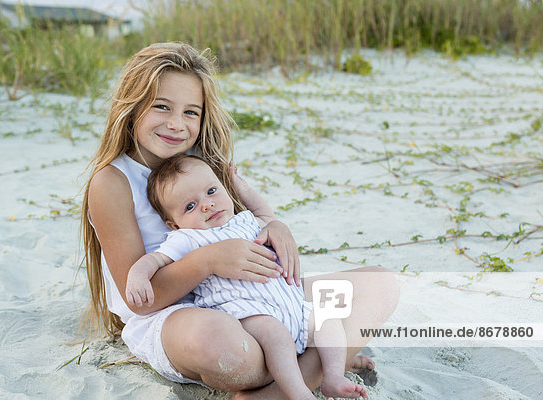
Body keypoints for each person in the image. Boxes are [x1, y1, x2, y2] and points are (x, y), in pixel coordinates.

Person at [81, 42, 399, 398]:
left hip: (255, 295)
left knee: (379, 285)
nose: (176, 123)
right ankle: (319, 364)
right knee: (223, 346)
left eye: (191, 112)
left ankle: (284, 387)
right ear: (132, 106)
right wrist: (207, 261)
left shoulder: (201, 161)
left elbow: (244, 222)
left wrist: (276, 227)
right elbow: (142, 300)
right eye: (161, 106)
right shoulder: (113, 182)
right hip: (177, 315)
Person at [126, 153, 368, 399]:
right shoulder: (188, 238)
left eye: (211, 191)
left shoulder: (245, 220)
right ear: (174, 225)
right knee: (277, 337)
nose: (207, 205)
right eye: (190, 206)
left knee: (328, 319)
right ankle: (299, 392)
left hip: (292, 306)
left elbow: (265, 213)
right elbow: (155, 259)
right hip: (249, 313)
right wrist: (138, 274)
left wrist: (240, 185)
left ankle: (334, 376)